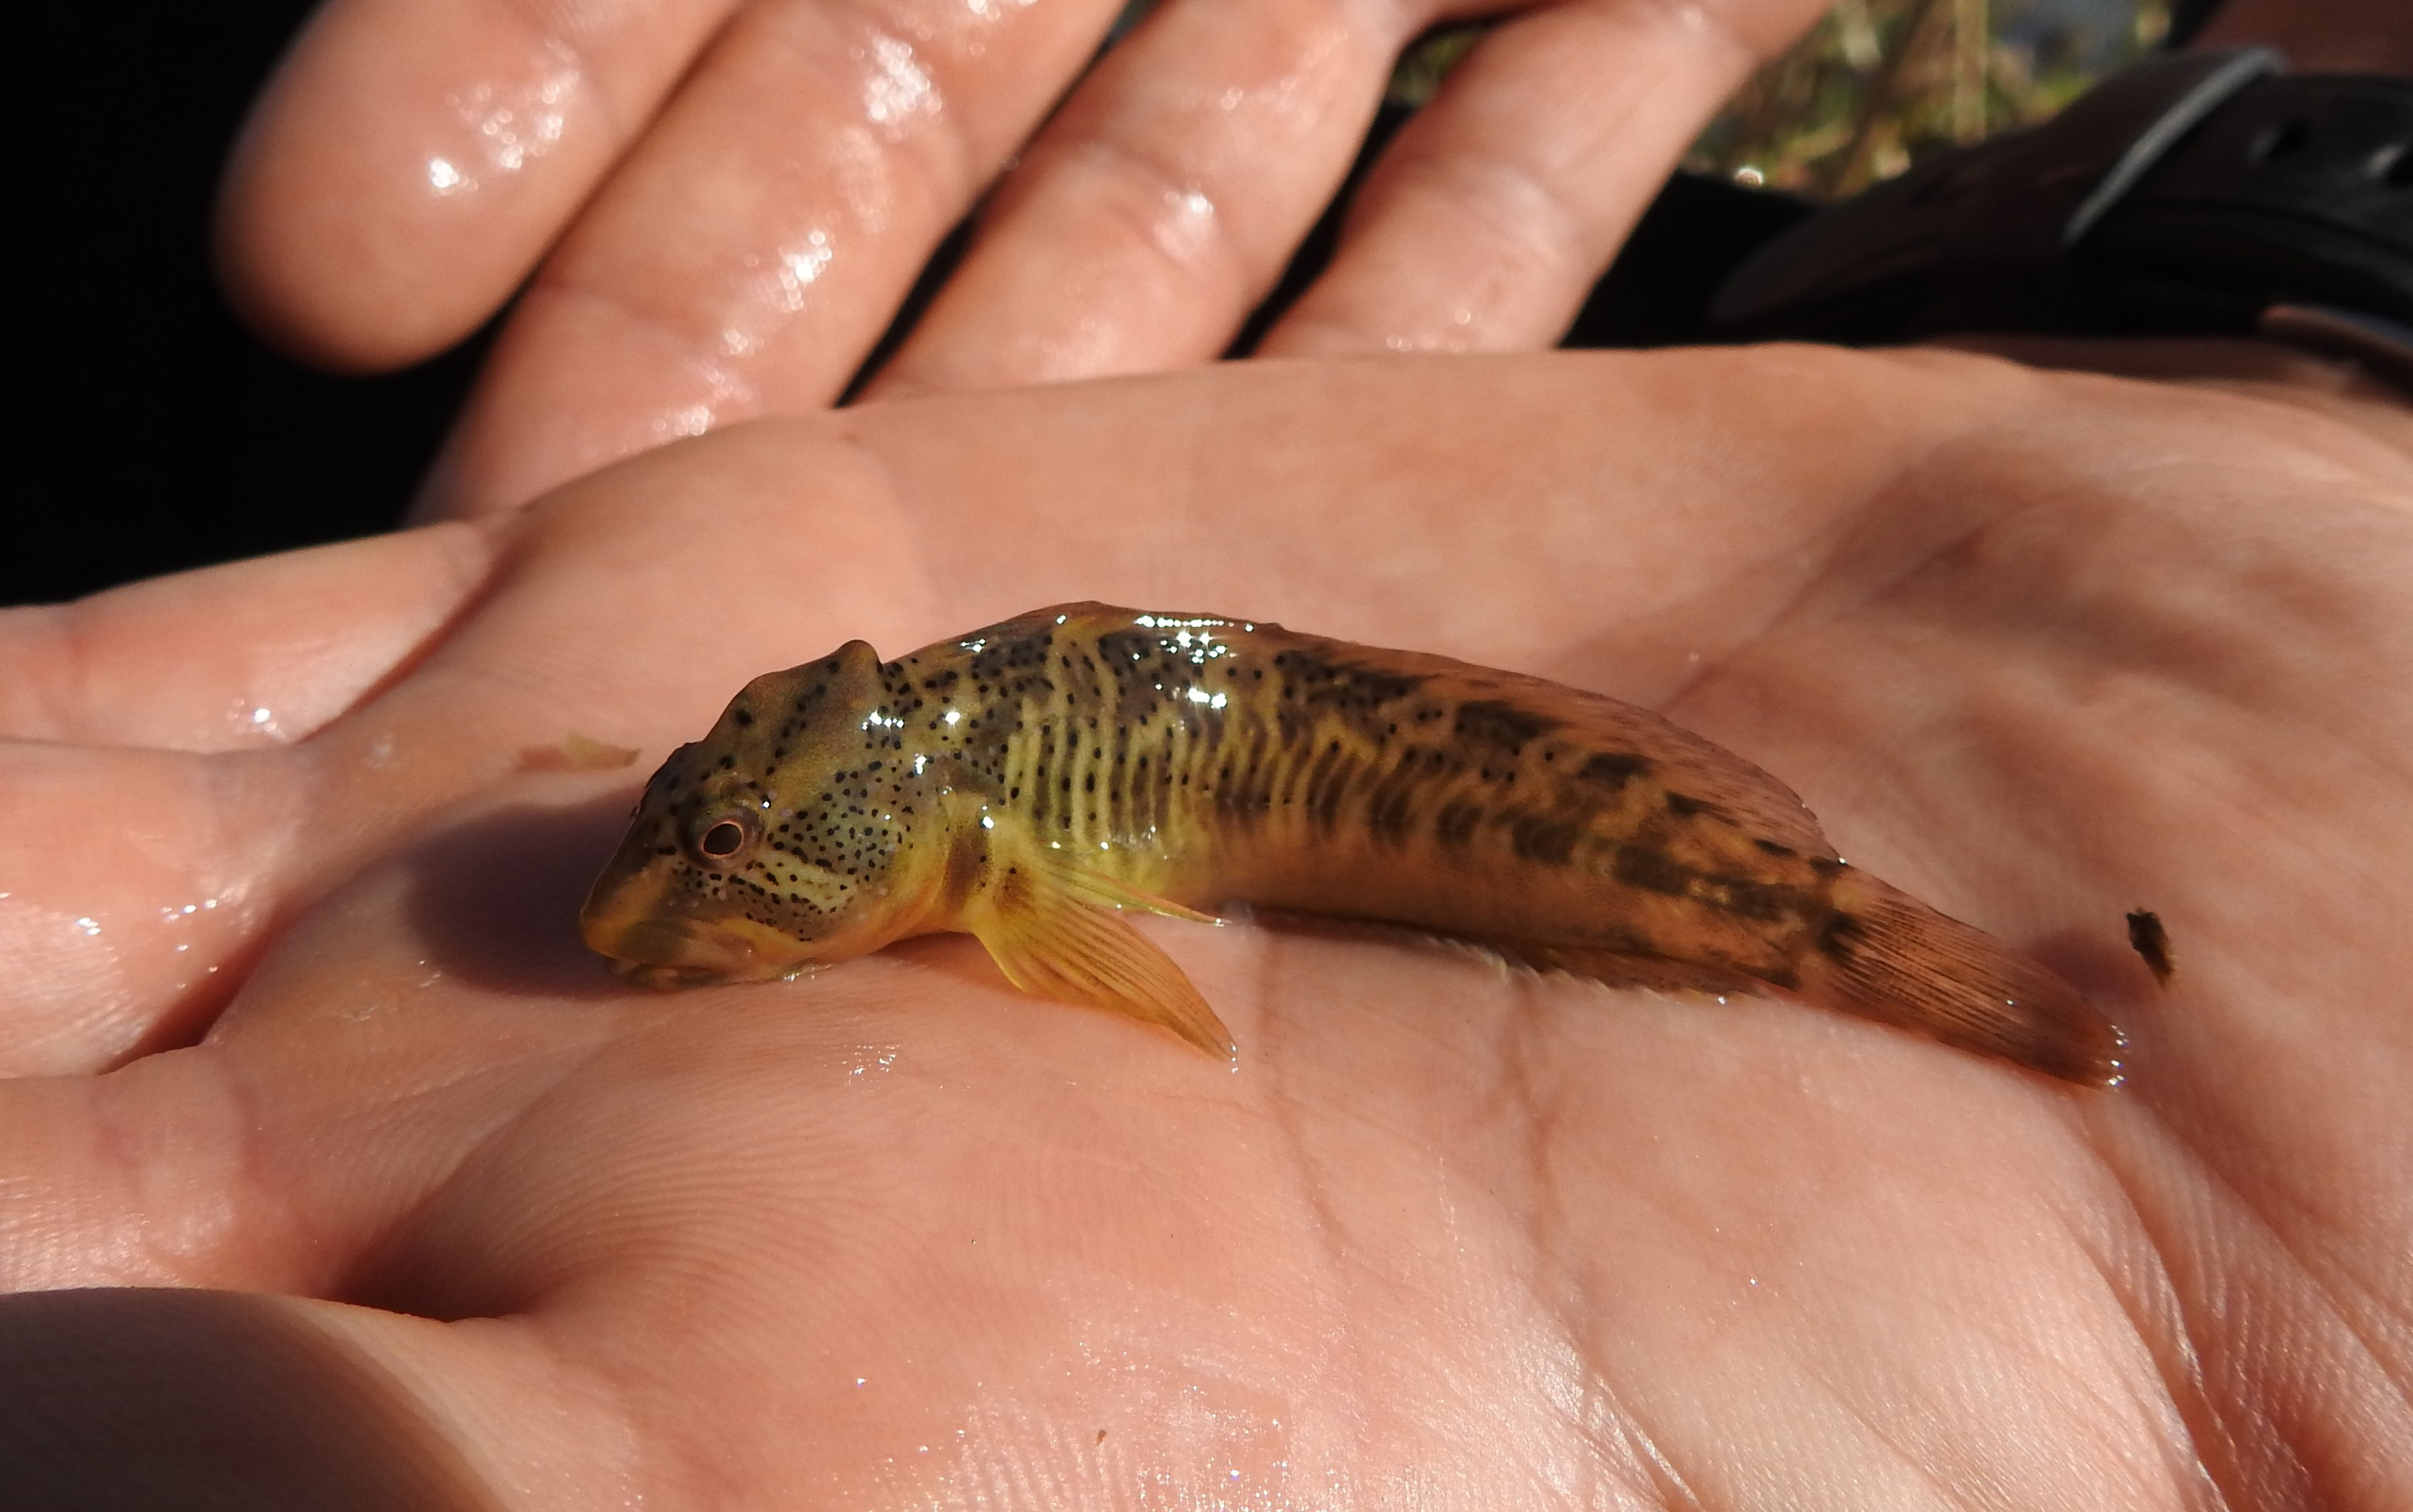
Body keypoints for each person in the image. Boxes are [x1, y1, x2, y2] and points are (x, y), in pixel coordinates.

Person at [4, 0, 2409, 1506]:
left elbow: (1078, 941)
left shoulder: (969, 830)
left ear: (938, 847)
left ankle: (1833, 940)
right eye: (710, 854)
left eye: (747, 866)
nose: (685, 906)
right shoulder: (861, 791)